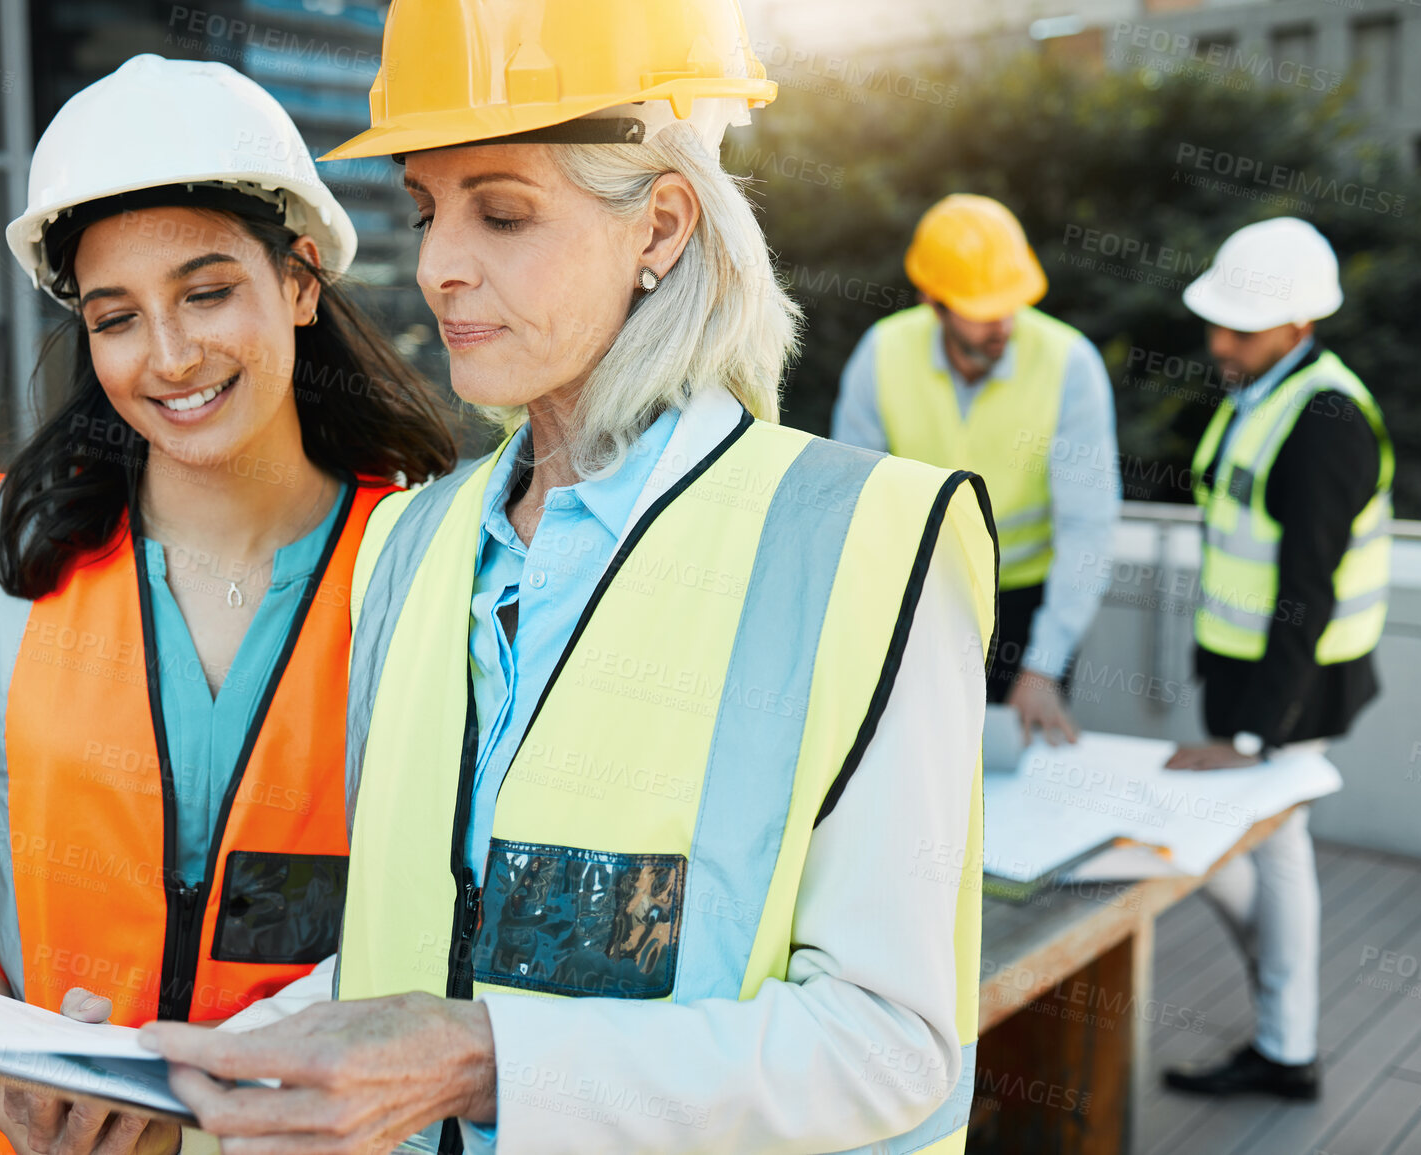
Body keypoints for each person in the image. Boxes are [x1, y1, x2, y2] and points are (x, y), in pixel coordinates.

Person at [134, 2, 998, 1153]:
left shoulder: (864, 540)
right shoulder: (411, 544)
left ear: (661, 225)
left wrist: (489, 1067)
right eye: (428, 208)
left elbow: (894, 1046)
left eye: (502, 213)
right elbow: (422, 940)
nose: (439, 265)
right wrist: (176, 1067)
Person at [0, 54, 456, 1155]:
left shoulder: (430, 561)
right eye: (116, 318)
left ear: (296, 281)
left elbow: (443, 926)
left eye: (205, 292)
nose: (171, 356)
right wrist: (26, 1082)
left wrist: (201, 1114)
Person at [1163, 217, 1392, 1101]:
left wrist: (1254, 735)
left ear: (1298, 327)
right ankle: (1283, 1031)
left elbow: (1308, 591)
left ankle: (1286, 1039)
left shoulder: (1324, 420)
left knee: (1259, 845)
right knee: (1268, 848)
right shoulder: (1264, 388)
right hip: (1246, 674)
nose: (1218, 343)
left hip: (1294, 690)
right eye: (1217, 323)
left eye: (1239, 329)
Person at [833, 194, 1119, 745]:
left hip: (1026, 609)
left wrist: (1043, 667)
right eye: (982, 308)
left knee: (1012, 778)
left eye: (1009, 304)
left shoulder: (1069, 364)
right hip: (919, 597)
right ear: (931, 300)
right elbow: (856, 505)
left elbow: (1087, 528)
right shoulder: (882, 354)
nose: (1002, 323)